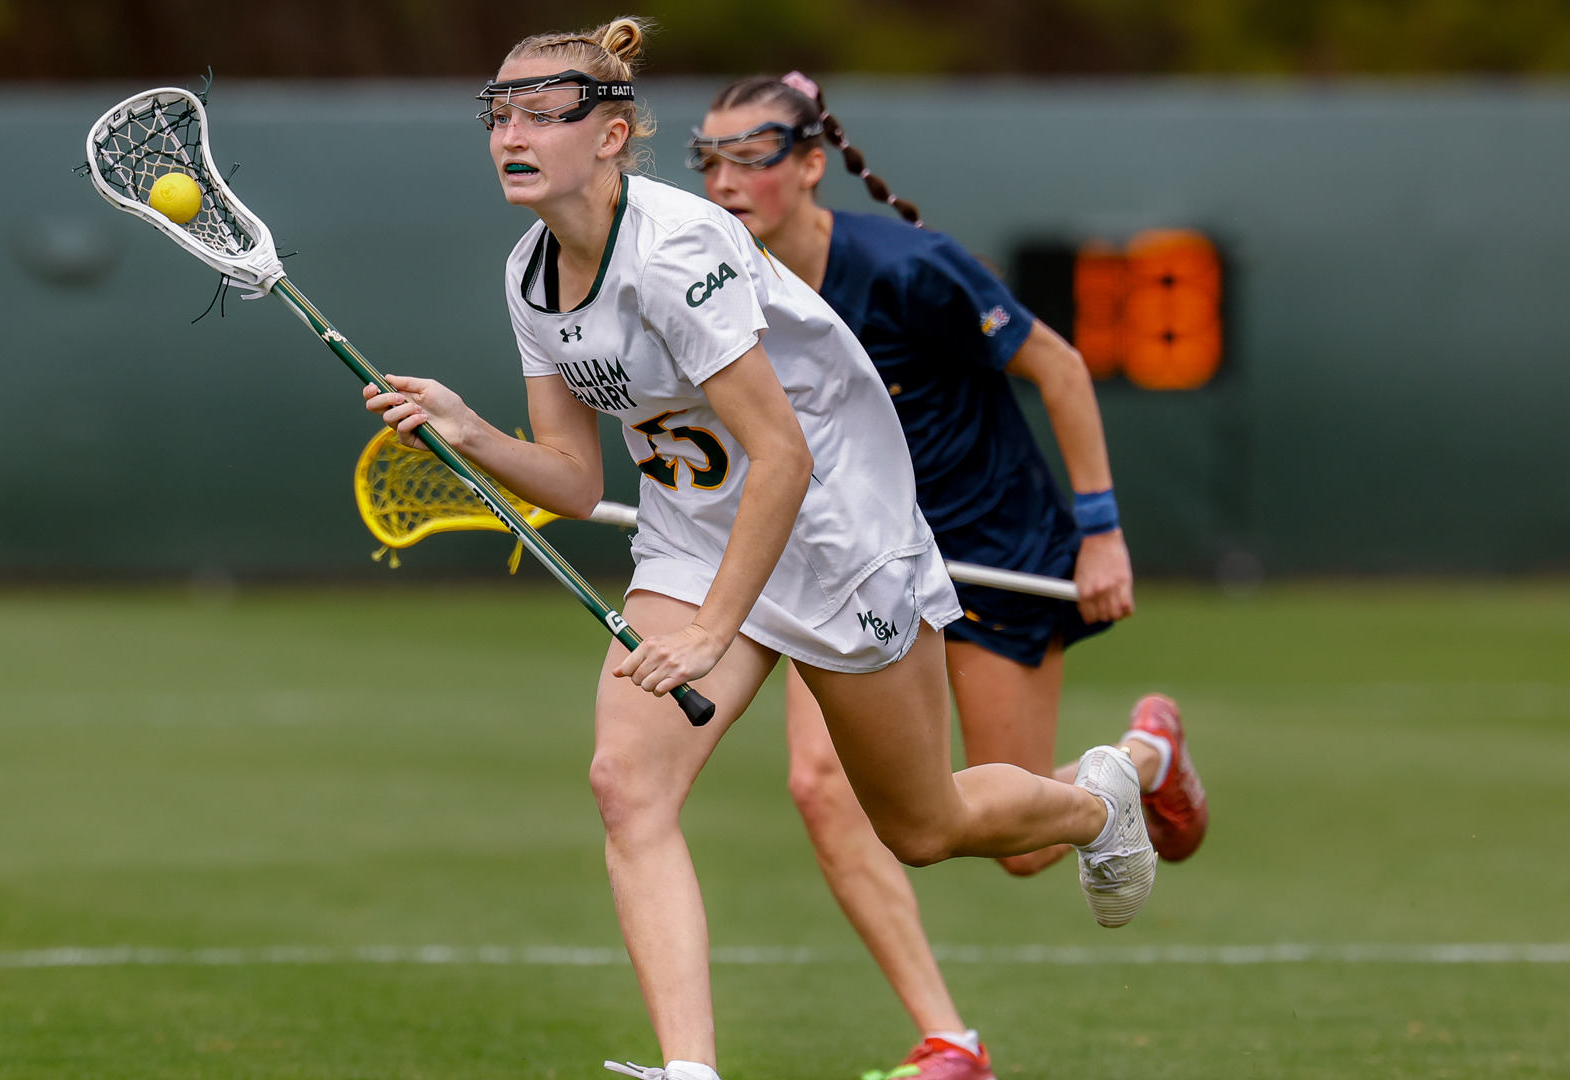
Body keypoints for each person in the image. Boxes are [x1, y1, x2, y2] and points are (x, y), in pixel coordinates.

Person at [363, 18, 1157, 1080]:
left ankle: (1100, 803)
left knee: (924, 827)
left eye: (542, 113)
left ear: (610, 135)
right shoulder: (529, 276)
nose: (512, 134)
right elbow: (575, 480)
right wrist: (469, 432)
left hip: (836, 537)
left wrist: (711, 634)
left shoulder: (677, 250)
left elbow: (783, 455)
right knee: (626, 787)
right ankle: (691, 1072)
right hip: (695, 538)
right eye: (498, 113)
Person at [686, 73, 1212, 1079]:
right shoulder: (725, 286)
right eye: (709, 159)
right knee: (821, 788)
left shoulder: (909, 269)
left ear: (810, 165)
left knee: (1021, 849)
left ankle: (1146, 758)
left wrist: (1100, 532)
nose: (725, 180)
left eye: (751, 156)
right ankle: (949, 1039)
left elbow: (1060, 367)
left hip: (990, 551)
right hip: (855, 564)